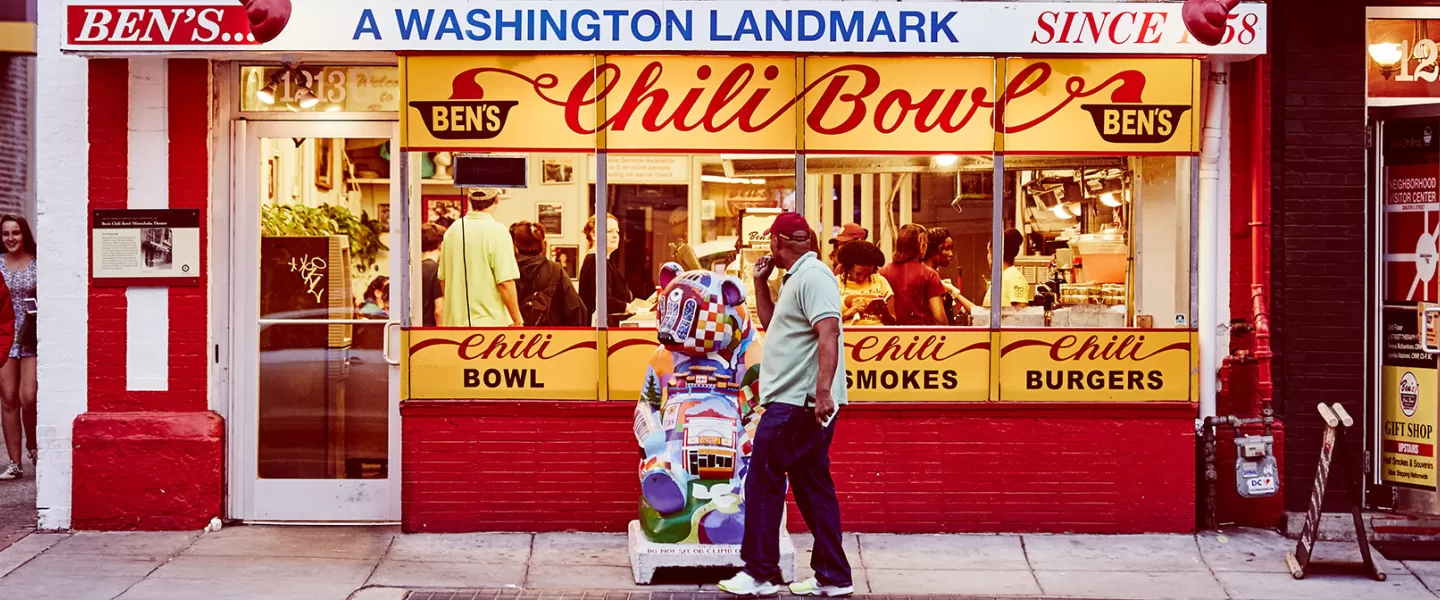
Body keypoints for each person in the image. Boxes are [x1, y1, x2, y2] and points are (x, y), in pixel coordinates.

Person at [719, 212, 853, 598]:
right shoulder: (797, 277)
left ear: (777, 242)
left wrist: (822, 392)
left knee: (762, 477)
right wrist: (760, 283)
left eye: (770, 245)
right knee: (813, 487)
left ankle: (760, 571)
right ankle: (833, 576)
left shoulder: (814, 277)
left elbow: (829, 333)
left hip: (798, 402)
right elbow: (774, 322)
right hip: (801, 401)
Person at [439, 188, 524, 327]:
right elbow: (505, 283)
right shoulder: (498, 232)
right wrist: (517, 320)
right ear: (497, 199)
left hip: (454, 325)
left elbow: (443, 279)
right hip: (489, 327)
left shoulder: (453, 230)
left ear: (469, 199)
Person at [510, 221, 587, 327]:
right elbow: (575, 308)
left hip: (510, 336)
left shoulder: (506, 270)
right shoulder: (555, 269)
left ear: (513, 244)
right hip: (550, 337)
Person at [879, 224, 947, 326]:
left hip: (892, 336)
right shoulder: (929, 274)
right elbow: (939, 317)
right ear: (922, 245)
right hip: (923, 336)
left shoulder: (882, 273)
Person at [0, 216, 24, 479]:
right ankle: (15, 462)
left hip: (30, 336)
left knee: (28, 397)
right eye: (5, 233)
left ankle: (34, 448)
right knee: (8, 398)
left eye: (15, 232)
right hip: (6, 336)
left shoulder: (37, 262)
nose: (10, 238)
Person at [579, 213, 634, 328]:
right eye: (609, 232)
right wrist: (628, 307)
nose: (615, 236)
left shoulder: (601, 261)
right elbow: (603, 300)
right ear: (594, 235)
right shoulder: (595, 261)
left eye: (617, 231)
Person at [957, 228, 1030, 311]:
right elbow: (982, 314)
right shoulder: (1003, 277)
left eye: (988, 251)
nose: (987, 256)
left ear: (993, 254)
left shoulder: (1014, 277)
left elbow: (1021, 315)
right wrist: (955, 293)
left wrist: (955, 294)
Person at [835, 240, 893, 326]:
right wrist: (849, 312)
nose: (862, 279)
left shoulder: (881, 281)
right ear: (848, 268)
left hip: (878, 336)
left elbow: (892, 323)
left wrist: (884, 311)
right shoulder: (836, 283)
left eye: (868, 274)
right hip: (847, 336)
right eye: (858, 274)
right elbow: (828, 323)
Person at [922, 226, 965, 324]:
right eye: (946, 249)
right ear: (933, 250)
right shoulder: (928, 275)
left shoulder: (934, 275)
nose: (951, 254)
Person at [420, 223, 445, 326]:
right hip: (430, 332)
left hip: (414, 331)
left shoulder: (412, 270)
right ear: (440, 245)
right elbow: (439, 311)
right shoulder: (437, 270)